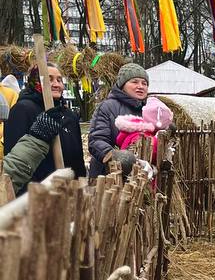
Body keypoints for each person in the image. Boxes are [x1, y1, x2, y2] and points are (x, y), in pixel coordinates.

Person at [2, 62, 86, 192]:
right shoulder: (22, 110)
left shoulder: (69, 116)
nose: (56, 84)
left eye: (59, 80)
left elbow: (78, 161)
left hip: (68, 193)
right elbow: (15, 159)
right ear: (35, 82)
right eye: (49, 79)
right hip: (36, 194)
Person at [87, 63, 150, 178]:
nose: (140, 86)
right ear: (122, 85)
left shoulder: (149, 109)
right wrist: (114, 156)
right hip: (109, 176)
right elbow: (96, 140)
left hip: (141, 176)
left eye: (144, 83)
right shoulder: (107, 107)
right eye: (135, 82)